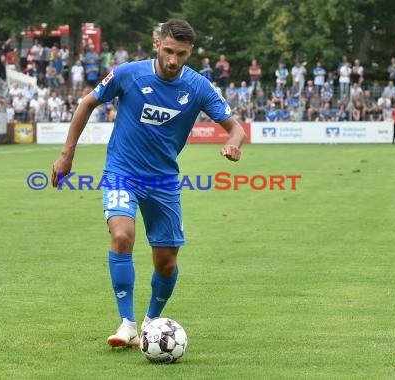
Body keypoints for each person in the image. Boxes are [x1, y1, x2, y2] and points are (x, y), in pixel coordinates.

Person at [50, 19, 246, 349]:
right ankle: (126, 323)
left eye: (181, 54)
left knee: (167, 263)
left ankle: (150, 322)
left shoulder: (198, 87)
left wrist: (234, 143)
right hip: (122, 172)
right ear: (157, 44)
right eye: (168, 51)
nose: (173, 60)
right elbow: (87, 103)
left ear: (190, 52)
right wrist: (67, 155)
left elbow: (235, 127)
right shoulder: (129, 74)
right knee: (122, 235)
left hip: (164, 181)